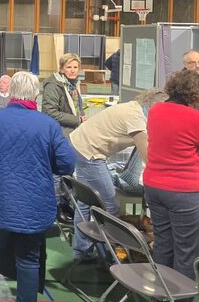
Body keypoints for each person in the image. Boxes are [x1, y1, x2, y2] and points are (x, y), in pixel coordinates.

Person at [0, 71, 76, 302]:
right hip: (34, 205)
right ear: (36, 95)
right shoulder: (48, 125)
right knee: (28, 260)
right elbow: (67, 163)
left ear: (12, 92)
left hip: (0, 202)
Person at [144, 69, 199, 302]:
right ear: (198, 93)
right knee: (187, 254)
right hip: (184, 193)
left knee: (164, 245)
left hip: (154, 186)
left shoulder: (156, 110)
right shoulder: (196, 118)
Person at [68, 89, 167, 261]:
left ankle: (82, 251)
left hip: (80, 145)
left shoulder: (134, 108)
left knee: (85, 202)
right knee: (110, 206)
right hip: (89, 153)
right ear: (155, 106)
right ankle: (110, 256)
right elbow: (148, 156)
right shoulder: (136, 118)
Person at [42, 53, 86, 137]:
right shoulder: (53, 85)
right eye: (69, 67)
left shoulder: (73, 84)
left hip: (73, 129)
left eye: (75, 67)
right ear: (61, 69)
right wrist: (77, 119)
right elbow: (49, 113)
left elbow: (78, 108)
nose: (73, 70)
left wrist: (82, 118)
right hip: (58, 133)